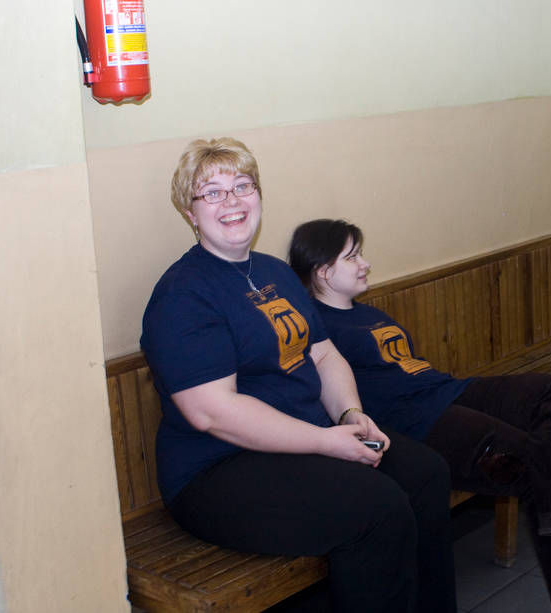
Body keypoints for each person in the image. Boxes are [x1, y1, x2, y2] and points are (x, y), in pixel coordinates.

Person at [289, 219, 551, 613]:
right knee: (540, 462)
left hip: (448, 390)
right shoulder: (317, 328)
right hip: (418, 422)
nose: (365, 263)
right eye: (353, 257)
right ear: (323, 271)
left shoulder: (370, 313)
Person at [140, 138, 457, 613]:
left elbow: (324, 355)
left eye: (242, 186)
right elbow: (212, 413)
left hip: (303, 441)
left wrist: (349, 414)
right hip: (217, 470)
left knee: (424, 472)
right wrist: (326, 441)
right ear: (190, 212)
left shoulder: (275, 272)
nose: (232, 201)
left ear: (258, 195)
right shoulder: (183, 295)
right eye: (212, 192)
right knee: (377, 508)